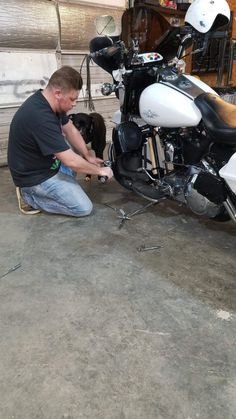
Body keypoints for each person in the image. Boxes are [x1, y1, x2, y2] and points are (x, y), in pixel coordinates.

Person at [7, 65, 113, 217]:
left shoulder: (51, 104)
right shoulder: (40, 117)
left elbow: (70, 129)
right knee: (83, 207)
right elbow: (70, 161)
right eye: (72, 99)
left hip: (49, 164)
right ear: (57, 93)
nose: (74, 104)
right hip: (35, 177)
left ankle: (64, 182)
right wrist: (99, 170)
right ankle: (30, 197)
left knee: (75, 147)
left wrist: (87, 154)